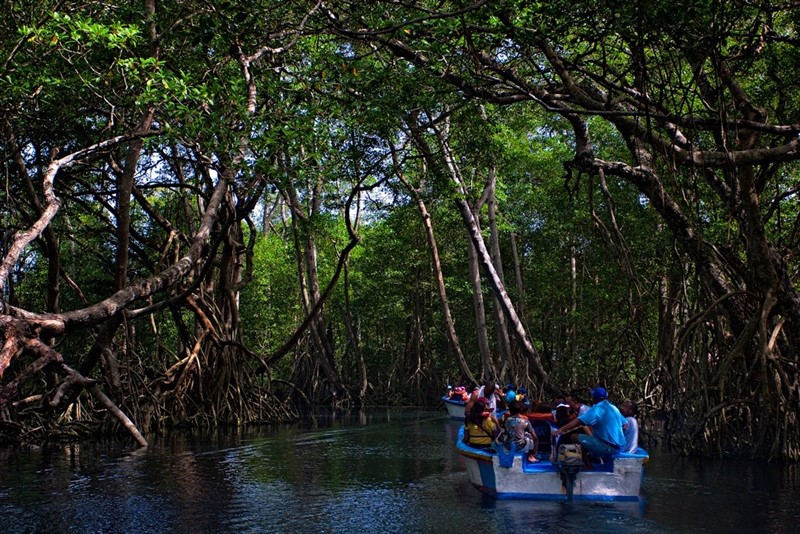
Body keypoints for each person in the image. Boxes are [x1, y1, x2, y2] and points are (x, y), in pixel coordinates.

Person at [554, 386, 626, 459]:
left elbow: (578, 422)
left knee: (574, 437)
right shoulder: (613, 408)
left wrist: (560, 430)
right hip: (621, 447)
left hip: (608, 448)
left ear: (594, 398)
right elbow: (625, 425)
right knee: (592, 438)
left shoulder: (596, 409)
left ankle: (587, 464)